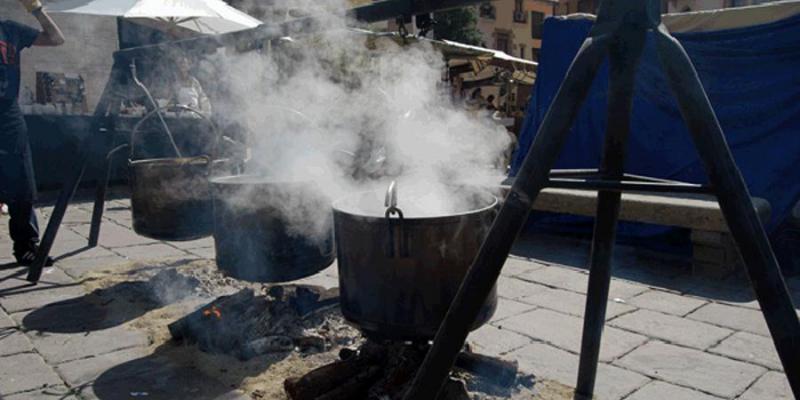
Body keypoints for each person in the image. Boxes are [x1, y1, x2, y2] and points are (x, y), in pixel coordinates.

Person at [1, 0, 64, 266]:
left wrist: (37, 10)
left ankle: (27, 247)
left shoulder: (10, 30)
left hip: (8, 115)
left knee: (22, 184)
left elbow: (56, 39)